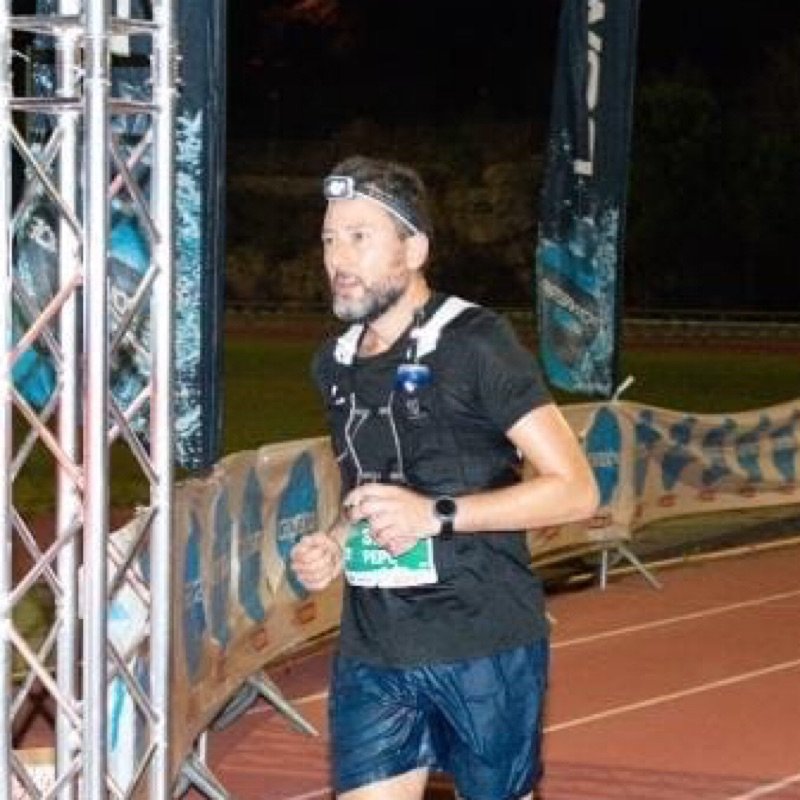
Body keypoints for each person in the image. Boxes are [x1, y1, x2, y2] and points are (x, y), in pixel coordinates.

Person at [290, 155, 599, 800]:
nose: (338, 258)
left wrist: (435, 515)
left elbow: (576, 489)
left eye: (359, 237)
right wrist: (335, 543)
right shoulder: (334, 365)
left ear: (414, 250)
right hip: (374, 651)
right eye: (328, 238)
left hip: (482, 645)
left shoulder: (476, 343)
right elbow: (369, 494)